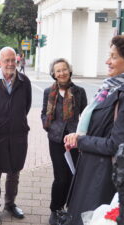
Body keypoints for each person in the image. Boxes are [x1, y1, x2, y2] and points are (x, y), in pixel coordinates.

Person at [63, 34, 124, 225]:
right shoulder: (113, 88)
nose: (107, 61)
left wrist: (80, 140)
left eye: (113, 56)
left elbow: (116, 145)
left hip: (102, 180)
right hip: (93, 170)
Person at [0, 46, 32, 224]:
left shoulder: (25, 81)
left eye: (13, 60)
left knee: (14, 172)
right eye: (7, 60)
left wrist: (16, 122)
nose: (11, 63)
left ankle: (10, 204)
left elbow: (26, 107)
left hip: (18, 134)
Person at [41, 58, 87, 225]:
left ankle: (69, 208)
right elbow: (43, 114)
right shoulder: (48, 92)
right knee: (60, 177)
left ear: (69, 70)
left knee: (73, 175)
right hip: (56, 140)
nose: (62, 73)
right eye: (58, 70)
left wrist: (80, 133)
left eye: (64, 69)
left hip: (74, 140)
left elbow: (85, 115)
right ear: (53, 74)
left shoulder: (79, 91)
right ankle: (55, 209)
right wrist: (49, 128)